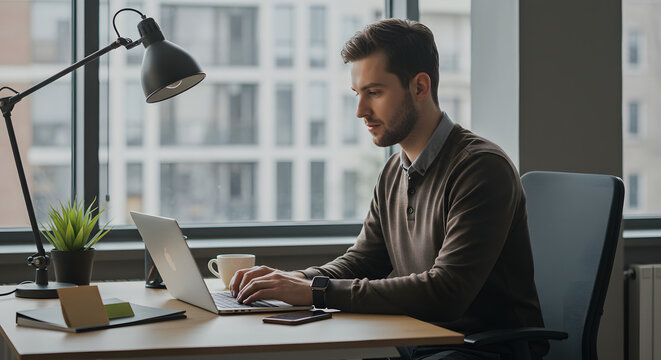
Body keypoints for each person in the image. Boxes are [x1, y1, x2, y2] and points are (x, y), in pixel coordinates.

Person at [229, 18, 547, 360]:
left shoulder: (481, 168)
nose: (360, 111)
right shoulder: (395, 169)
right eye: (357, 94)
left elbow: (446, 292)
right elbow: (364, 261)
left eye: (374, 93)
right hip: (423, 343)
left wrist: (315, 291)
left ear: (420, 87)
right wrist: (291, 281)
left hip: (483, 351)